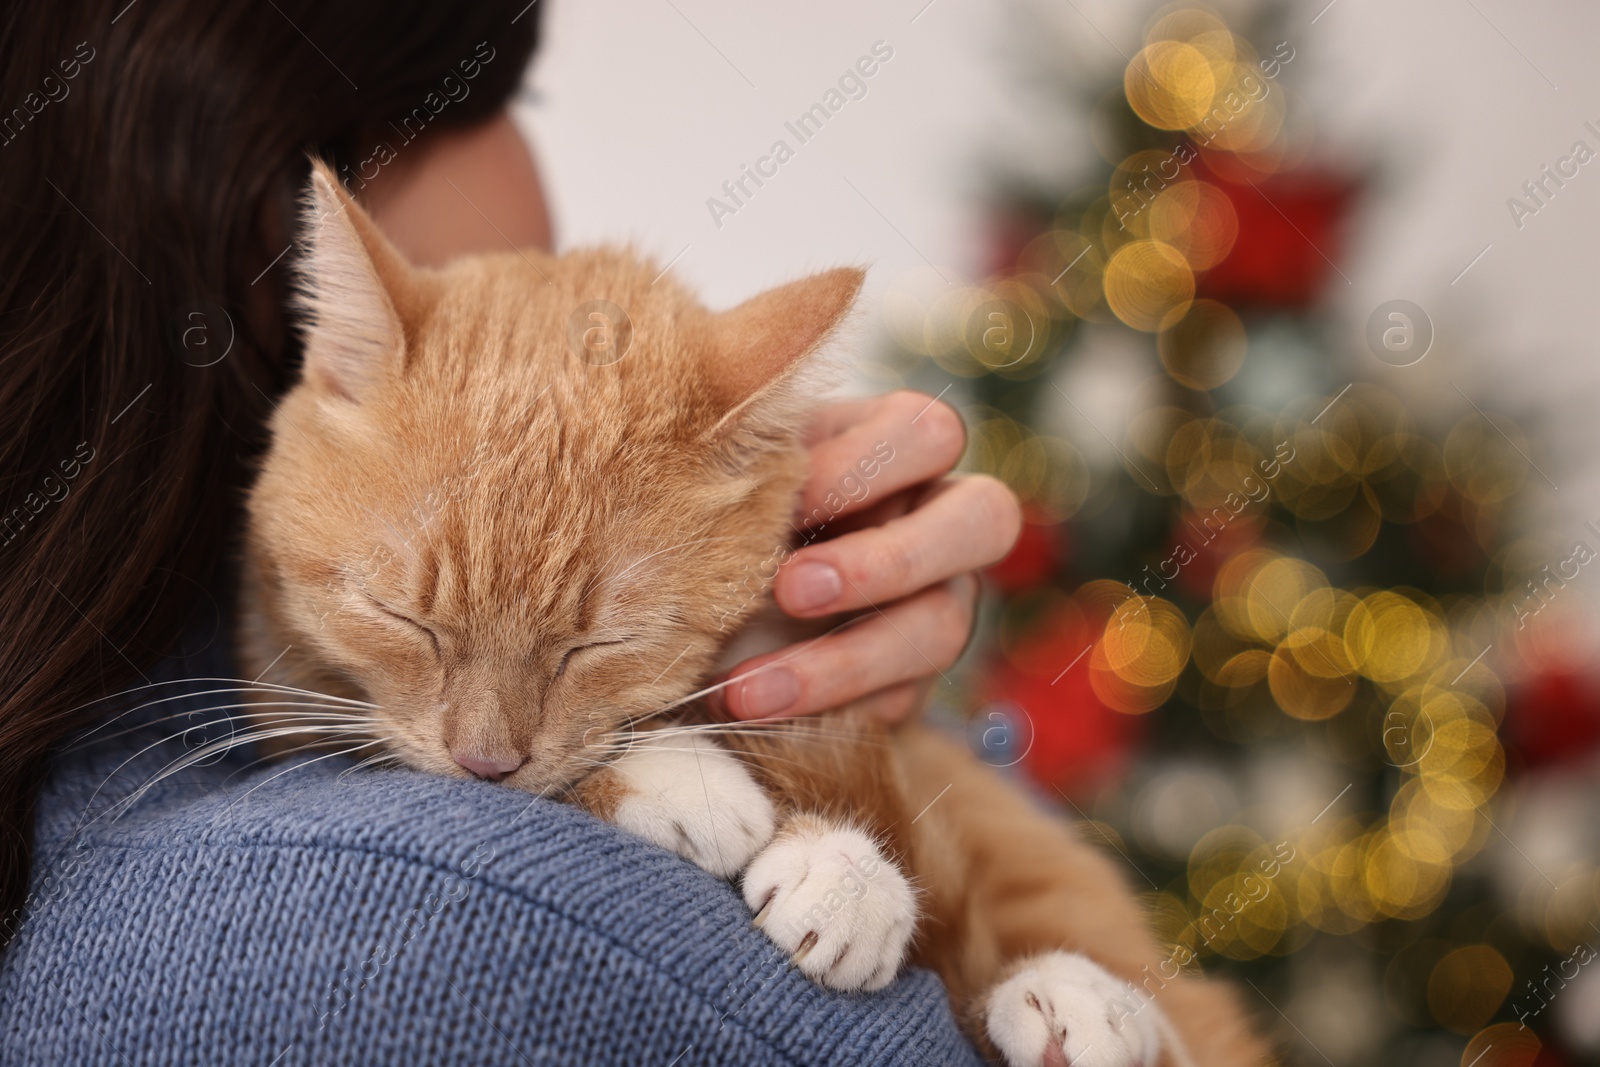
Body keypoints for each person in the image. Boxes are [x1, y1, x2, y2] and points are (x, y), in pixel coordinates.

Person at [0, 0, 1019, 952]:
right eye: (479, 97)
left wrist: (797, 627)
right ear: (254, 216)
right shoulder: (370, 905)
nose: (486, 748)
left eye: (513, 92)